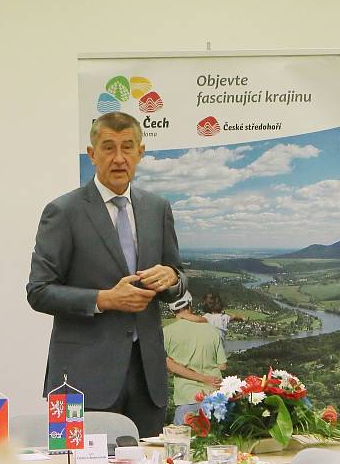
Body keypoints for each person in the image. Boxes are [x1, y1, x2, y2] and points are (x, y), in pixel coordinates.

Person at [27, 111, 187, 437]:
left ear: (140, 153)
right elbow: (38, 290)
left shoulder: (158, 208)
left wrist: (171, 277)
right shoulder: (63, 211)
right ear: (92, 154)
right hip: (78, 381)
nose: (118, 158)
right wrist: (105, 299)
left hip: (148, 379)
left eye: (127, 147)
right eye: (108, 148)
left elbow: (178, 277)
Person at [164, 291, 227, 425]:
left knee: (182, 442)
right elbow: (222, 365)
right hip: (216, 398)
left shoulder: (166, 333)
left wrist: (201, 378)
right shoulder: (212, 330)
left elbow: (170, 366)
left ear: (171, 309)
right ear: (190, 304)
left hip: (187, 398)